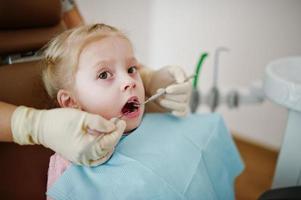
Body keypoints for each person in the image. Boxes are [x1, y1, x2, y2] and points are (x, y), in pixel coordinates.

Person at [0, 25, 191, 167]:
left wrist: (152, 80)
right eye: (104, 75)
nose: (130, 81)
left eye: (131, 69)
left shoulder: (151, 123)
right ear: (71, 102)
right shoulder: (72, 157)